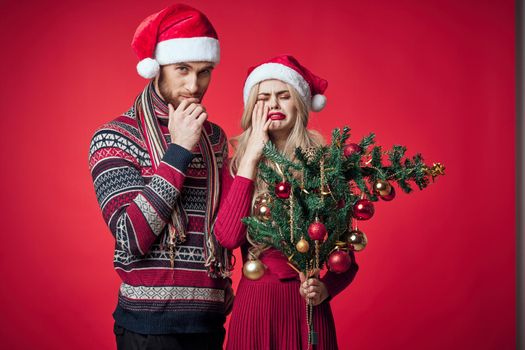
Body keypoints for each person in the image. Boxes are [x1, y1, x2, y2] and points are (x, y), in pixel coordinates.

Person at [88, 4, 248, 349]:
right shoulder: (114, 137)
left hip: (209, 320)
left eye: (204, 71)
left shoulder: (216, 139)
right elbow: (130, 238)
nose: (194, 84)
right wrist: (179, 150)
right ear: (156, 68)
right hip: (149, 326)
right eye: (182, 69)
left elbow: (227, 224)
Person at [213, 55, 360, 350]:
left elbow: (347, 259)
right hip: (255, 306)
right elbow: (228, 237)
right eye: (263, 98)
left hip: (307, 307)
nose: (274, 105)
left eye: (284, 96)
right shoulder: (236, 166)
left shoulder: (324, 167)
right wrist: (252, 157)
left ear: (300, 104)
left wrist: (325, 289)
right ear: (252, 108)